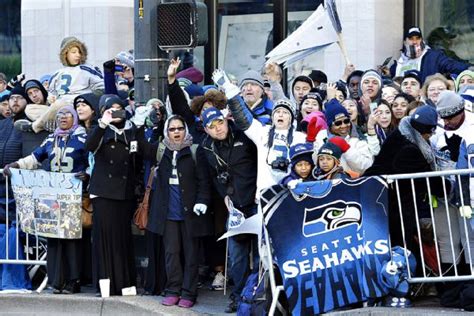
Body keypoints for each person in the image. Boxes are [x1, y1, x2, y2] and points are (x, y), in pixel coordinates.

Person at [3, 106, 88, 294]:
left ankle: (74, 280)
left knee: (71, 238)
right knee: (53, 238)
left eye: (67, 115)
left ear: (74, 117)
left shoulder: (83, 138)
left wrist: (87, 175)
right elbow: (35, 157)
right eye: (59, 115)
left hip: (73, 196)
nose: (62, 118)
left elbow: (92, 160)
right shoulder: (51, 138)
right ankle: (56, 280)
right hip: (53, 196)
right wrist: (15, 165)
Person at [137, 115, 210, 308]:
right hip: (167, 212)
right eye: (172, 129)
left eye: (180, 128)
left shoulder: (195, 150)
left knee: (191, 254)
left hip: (190, 212)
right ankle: (173, 289)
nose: (176, 132)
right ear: (166, 132)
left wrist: (202, 201)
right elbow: (141, 145)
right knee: (171, 253)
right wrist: (141, 123)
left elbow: (204, 180)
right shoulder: (162, 150)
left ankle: (188, 292)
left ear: (185, 130)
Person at [365, 105, 449, 252]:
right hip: (389, 203)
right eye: (430, 132)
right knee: (399, 245)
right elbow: (427, 179)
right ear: (426, 132)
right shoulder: (409, 149)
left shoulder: (400, 133)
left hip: (385, 198)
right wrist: (451, 188)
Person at [199, 107, 258, 313]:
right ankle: (240, 296)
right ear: (206, 130)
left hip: (256, 202)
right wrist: (224, 193)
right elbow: (211, 176)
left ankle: (258, 295)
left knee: (261, 255)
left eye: (220, 123)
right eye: (212, 127)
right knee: (237, 257)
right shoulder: (206, 147)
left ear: (226, 120)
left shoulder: (244, 134)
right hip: (234, 207)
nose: (218, 129)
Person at [214, 69, 306, 196]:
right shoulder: (263, 132)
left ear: (291, 118)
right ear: (272, 117)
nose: (281, 115)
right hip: (265, 194)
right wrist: (228, 87)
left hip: (292, 191)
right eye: (277, 112)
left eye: (285, 113)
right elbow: (243, 117)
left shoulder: (300, 137)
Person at [85, 95, 138, 296]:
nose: (115, 112)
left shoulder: (131, 130)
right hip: (103, 191)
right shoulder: (99, 129)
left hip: (125, 192)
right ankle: (105, 284)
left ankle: (125, 283)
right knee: (104, 238)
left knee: (123, 237)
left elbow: (141, 155)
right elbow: (89, 147)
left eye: (119, 109)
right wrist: (102, 123)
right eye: (110, 109)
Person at [16, 37, 104, 134]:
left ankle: (34, 126)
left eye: (79, 52)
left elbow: (101, 88)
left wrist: (86, 99)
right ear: (65, 54)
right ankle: (57, 124)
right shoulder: (57, 73)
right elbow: (51, 93)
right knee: (30, 108)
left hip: (77, 107)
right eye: (74, 52)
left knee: (60, 104)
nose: (78, 55)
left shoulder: (88, 69)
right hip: (58, 109)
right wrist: (51, 98)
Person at [391, 26, 472, 83]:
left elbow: (451, 65)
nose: (415, 42)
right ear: (405, 42)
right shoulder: (399, 63)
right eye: (411, 39)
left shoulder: (433, 57)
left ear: (421, 40)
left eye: (417, 38)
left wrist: (469, 68)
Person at [321, 99, 378, 175]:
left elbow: (367, 166)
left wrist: (347, 149)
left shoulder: (358, 138)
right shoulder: (322, 138)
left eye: (346, 121)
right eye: (338, 123)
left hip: (355, 184)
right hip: (330, 184)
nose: (343, 126)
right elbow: (317, 164)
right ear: (330, 126)